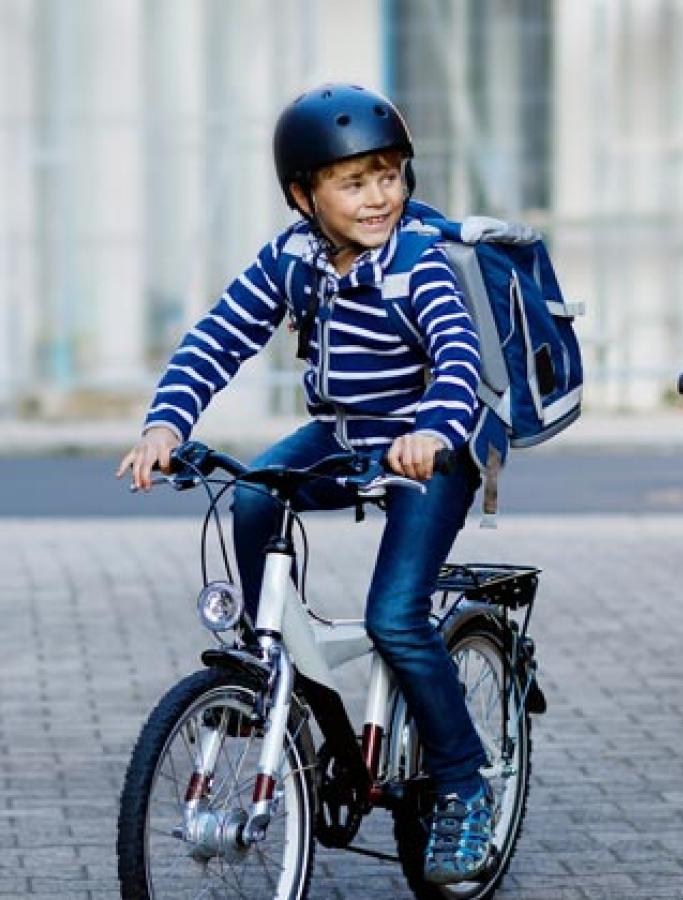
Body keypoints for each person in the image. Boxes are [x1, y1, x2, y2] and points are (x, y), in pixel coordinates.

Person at [117, 83, 494, 884]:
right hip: (343, 434)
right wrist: (165, 424)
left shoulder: (419, 263)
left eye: (389, 175)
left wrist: (432, 432)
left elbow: (459, 357)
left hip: (432, 446)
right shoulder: (293, 259)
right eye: (354, 182)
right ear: (303, 195)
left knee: (397, 617)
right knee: (253, 491)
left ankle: (464, 784)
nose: (378, 196)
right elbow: (219, 335)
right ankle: (268, 661)